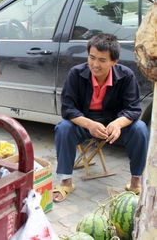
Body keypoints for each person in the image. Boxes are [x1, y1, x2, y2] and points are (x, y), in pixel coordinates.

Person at [53, 34, 148, 202]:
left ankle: (135, 183)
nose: (95, 65)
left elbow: (133, 108)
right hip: (85, 121)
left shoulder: (126, 76)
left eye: (102, 60)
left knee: (140, 129)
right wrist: (89, 124)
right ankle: (65, 182)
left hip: (114, 124)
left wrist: (118, 124)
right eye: (92, 58)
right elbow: (68, 108)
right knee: (63, 128)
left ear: (114, 61)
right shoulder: (76, 74)